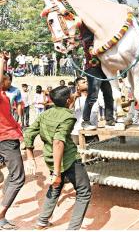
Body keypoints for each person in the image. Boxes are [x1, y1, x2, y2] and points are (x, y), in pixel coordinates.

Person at [24, 86, 92, 230]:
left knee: (55, 187)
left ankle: (42, 221)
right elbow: (58, 141)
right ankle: (73, 228)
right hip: (68, 159)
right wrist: (57, 172)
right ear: (68, 100)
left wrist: (30, 157)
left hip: (50, 158)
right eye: (71, 95)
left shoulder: (45, 114)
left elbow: (29, 133)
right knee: (84, 192)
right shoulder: (69, 116)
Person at [0, 54, 25, 229]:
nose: (9, 81)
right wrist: (2, 61)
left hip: (8, 137)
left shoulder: (4, 94)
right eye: (7, 78)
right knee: (18, 178)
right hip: (6, 139)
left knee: (11, 176)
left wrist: (6, 61)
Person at [79, 23, 115, 129]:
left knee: (108, 94)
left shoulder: (104, 35)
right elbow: (92, 49)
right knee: (93, 95)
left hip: (105, 67)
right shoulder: (87, 35)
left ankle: (110, 119)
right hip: (92, 67)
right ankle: (85, 121)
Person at [71, 77, 100, 144]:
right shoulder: (74, 98)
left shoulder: (96, 96)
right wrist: (74, 98)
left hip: (92, 133)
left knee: (95, 153)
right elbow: (68, 110)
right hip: (76, 133)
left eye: (87, 81)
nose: (87, 83)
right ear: (77, 87)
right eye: (83, 82)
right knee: (76, 153)